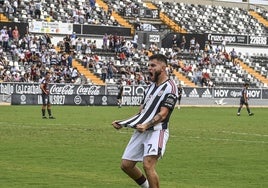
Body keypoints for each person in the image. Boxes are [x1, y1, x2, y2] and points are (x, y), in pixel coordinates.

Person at [112, 54, 178, 188]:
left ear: (164, 67)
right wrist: (124, 122)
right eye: (148, 65)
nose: (149, 68)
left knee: (148, 164)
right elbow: (142, 112)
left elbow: (163, 114)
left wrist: (147, 125)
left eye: (153, 65)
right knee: (126, 165)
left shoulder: (171, 87)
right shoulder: (149, 87)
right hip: (142, 129)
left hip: (157, 131)